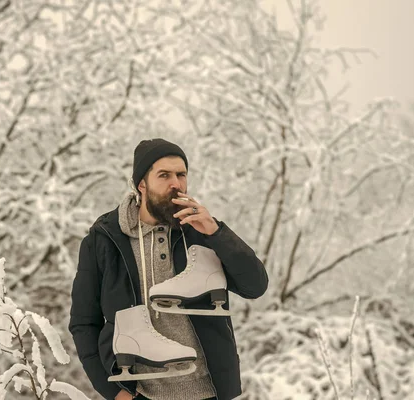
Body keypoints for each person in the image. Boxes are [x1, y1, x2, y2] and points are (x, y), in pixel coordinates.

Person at [69, 138, 268, 400]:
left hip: (209, 392)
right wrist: (113, 392)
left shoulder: (202, 231)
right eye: (164, 175)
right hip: (139, 392)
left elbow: (255, 286)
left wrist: (216, 233)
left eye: (181, 174)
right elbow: (83, 323)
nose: (176, 183)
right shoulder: (104, 240)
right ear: (142, 184)